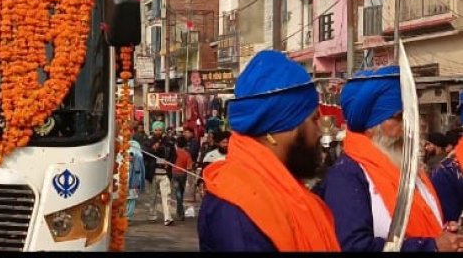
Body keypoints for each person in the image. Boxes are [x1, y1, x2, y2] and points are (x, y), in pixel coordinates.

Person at [197, 50, 340, 251]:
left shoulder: (283, 189)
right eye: (314, 119)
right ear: (277, 130)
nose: (318, 132)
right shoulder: (239, 205)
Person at [321, 66, 460, 252]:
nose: (407, 126)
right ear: (371, 125)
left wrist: (444, 234)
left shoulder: (409, 168)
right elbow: (354, 246)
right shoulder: (347, 175)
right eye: (398, 117)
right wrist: (431, 247)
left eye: (408, 116)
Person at [141, 120, 176, 225]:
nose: (158, 132)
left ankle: (168, 217)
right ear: (153, 130)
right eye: (156, 129)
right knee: (152, 196)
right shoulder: (148, 142)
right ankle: (152, 215)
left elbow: (174, 156)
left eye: (160, 129)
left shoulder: (169, 142)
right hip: (152, 173)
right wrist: (153, 149)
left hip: (165, 173)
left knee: (167, 196)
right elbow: (144, 154)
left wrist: (169, 162)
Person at [171, 136, 192, 221]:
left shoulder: (174, 153)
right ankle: (179, 212)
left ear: (177, 144)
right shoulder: (187, 154)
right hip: (183, 175)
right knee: (181, 194)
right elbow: (189, 167)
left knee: (178, 194)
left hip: (174, 174)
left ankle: (180, 212)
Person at [125, 139, 146, 219]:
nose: (129, 156)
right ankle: (126, 216)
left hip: (134, 183)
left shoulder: (138, 159)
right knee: (127, 199)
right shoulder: (124, 160)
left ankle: (128, 217)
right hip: (125, 182)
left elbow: (140, 172)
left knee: (132, 199)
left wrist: (139, 184)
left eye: (131, 154)